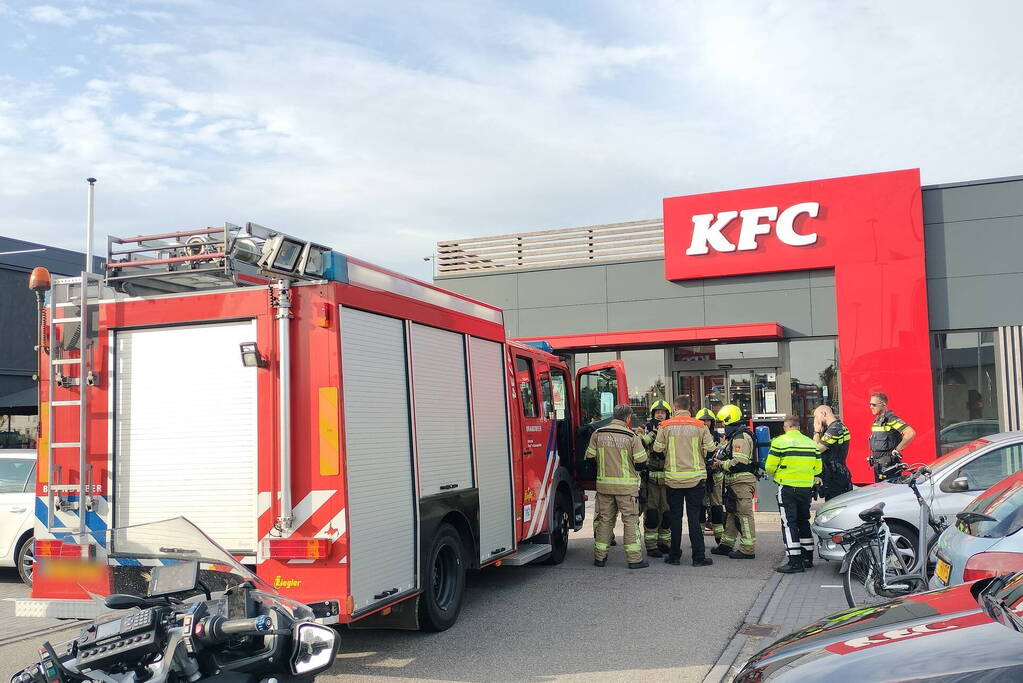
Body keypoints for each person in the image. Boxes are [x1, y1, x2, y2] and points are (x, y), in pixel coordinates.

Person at [652, 395, 716, 566]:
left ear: (674, 407)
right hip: (695, 479)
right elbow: (711, 449)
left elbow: (657, 449)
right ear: (690, 408)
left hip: (673, 479)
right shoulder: (700, 425)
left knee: (675, 518)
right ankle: (698, 557)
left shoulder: (665, 426)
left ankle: (674, 556)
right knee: (694, 519)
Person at [586, 404, 649, 569]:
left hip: (604, 487)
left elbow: (589, 457)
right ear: (628, 418)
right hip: (626, 489)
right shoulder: (631, 436)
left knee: (605, 521)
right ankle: (634, 560)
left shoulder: (598, 433)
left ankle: (600, 558)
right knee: (630, 522)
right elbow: (642, 462)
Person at [766, 415, 822, 573]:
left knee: (789, 523)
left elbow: (769, 466)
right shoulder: (811, 444)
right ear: (798, 427)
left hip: (787, 487)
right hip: (805, 488)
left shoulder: (779, 442)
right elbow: (818, 469)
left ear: (785, 427)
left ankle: (794, 560)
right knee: (804, 520)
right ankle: (807, 557)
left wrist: (780, 473)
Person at [710, 404, 757, 560]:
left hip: (742, 482)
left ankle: (747, 549)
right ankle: (726, 545)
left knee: (744, 515)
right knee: (731, 514)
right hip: (734, 483)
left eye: (723, 423)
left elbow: (739, 462)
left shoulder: (741, 437)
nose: (722, 426)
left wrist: (720, 464)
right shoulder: (734, 437)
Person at [638, 399, 672, 557]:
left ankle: (664, 543)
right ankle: (651, 546)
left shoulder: (672, 429)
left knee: (666, 513)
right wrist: (651, 434)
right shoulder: (645, 428)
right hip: (650, 479)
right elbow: (640, 445)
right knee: (652, 513)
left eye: (662, 412)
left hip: (667, 479)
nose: (660, 414)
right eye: (657, 412)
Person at [869, 392, 916, 481]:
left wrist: (897, 449)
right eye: (870, 404)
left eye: (873, 404)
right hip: (878, 467)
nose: (871, 407)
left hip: (889, 467)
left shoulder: (891, 419)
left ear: (883, 404)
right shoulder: (877, 420)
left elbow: (910, 433)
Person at [696, 407, 725, 543]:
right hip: (701, 476)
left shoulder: (718, 436)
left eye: (708, 420)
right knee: (700, 506)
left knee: (717, 506)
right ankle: (699, 537)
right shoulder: (694, 435)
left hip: (714, 477)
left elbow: (722, 453)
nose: (706, 423)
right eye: (703, 420)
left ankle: (719, 537)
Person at [813, 405, 853, 500]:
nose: (816, 420)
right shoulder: (840, 427)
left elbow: (816, 450)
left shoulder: (834, 430)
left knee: (834, 505)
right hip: (839, 472)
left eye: (816, 416)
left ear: (823, 414)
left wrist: (816, 432)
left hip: (834, 476)